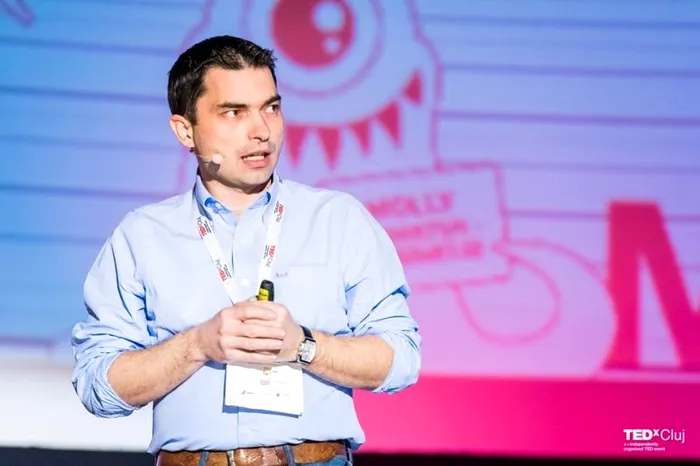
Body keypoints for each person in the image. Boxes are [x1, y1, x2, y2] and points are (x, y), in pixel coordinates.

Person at [71, 35, 421, 466]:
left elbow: (402, 359)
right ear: (185, 130)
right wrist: (198, 345)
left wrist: (303, 345)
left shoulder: (338, 219)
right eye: (234, 113)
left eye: (271, 108)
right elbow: (97, 386)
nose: (262, 131)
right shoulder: (142, 235)